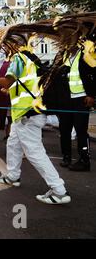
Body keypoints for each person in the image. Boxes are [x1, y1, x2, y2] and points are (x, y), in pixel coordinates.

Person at [0, 41, 71, 205]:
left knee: (34, 151)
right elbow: (21, 84)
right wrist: (10, 88)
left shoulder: (19, 58)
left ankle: (59, 190)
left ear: (13, 43)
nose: (3, 47)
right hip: (24, 113)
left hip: (28, 114)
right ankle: (12, 176)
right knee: (13, 143)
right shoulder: (28, 59)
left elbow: (6, 82)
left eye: (5, 44)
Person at [55, 43, 95, 171]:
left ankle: (84, 160)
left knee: (81, 131)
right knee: (64, 129)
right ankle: (66, 157)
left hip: (81, 98)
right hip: (66, 99)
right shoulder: (64, 55)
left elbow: (93, 75)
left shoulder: (85, 54)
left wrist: (92, 95)